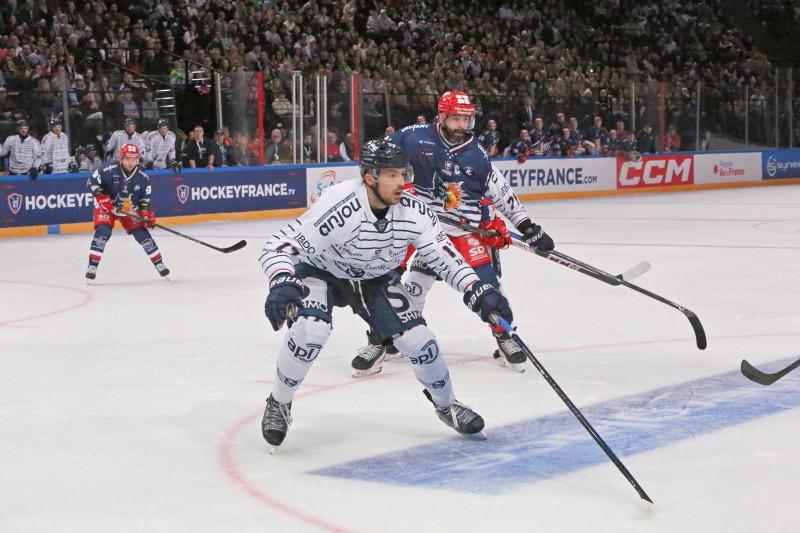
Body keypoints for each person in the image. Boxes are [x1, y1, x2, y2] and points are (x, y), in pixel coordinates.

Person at [258, 138, 514, 448]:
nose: (401, 182)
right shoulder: (340, 205)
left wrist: (478, 289)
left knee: (420, 342)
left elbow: (445, 258)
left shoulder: (414, 212)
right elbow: (278, 247)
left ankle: (447, 405)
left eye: (403, 174)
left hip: (375, 276)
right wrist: (282, 281)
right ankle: (279, 402)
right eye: (391, 175)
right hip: (322, 271)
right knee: (311, 331)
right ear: (369, 177)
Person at [351, 90, 555, 376]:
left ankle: (504, 336)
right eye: (456, 119)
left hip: (461, 232)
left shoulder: (476, 154)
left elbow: (501, 193)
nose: (462, 125)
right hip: (417, 226)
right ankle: (382, 338)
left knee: (487, 288)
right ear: (442, 116)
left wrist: (527, 227)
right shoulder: (413, 137)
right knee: (389, 281)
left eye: (465, 119)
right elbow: (380, 157)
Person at [84, 143, 169, 281]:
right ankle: (92, 265)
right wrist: (103, 198)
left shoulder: (142, 177)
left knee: (142, 234)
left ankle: (159, 263)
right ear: (121, 158)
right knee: (103, 231)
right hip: (106, 206)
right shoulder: (108, 169)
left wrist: (145, 214)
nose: (131, 162)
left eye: (134, 159)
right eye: (128, 158)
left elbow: (144, 200)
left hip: (128, 209)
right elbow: (92, 182)